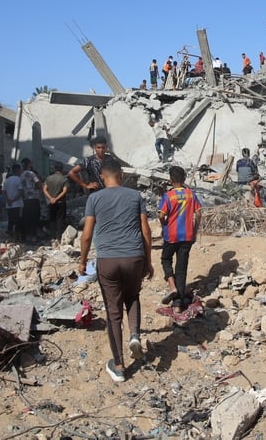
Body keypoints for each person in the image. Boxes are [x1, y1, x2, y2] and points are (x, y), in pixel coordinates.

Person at [80, 159, 153, 382]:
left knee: (113, 313)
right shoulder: (135, 196)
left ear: (102, 177)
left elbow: (86, 235)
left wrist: (82, 262)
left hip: (108, 261)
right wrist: (148, 261)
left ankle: (119, 365)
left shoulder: (94, 198)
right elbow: (146, 231)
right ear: (120, 175)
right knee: (133, 297)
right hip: (134, 257)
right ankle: (134, 335)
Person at [158, 166, 202, 313]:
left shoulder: (168, 196)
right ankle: (177, 305)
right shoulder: (191, 194)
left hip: (171, 235)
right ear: (184, 178)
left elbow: (161, 215)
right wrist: (195, 230)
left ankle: (172, 286)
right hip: (187, 235)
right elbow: (199, 213)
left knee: (165, 259)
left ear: (170, 180)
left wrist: (164, 224)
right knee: (181, 268)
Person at [43, 162, 69, 240]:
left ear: (54, 169)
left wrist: (51, 198)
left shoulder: (49, 178)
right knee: (60, 220)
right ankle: (59, 237)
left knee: (52, 219)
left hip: (51, 203)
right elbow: (64, 191)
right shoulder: (64, 179)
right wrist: (57, 198)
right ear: (62, 169)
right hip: (61, 202)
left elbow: (44, 189)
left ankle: (52, 237)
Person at [20, 158, 42, 242]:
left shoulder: (21, 175)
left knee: (27, 218)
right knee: (35, 217)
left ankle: (27, 236)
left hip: (25, 200)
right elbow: (39, 184)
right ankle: (34, 236)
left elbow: (21, 189)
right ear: (29, 164)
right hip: (34, 198)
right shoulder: (32, 173)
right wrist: (36, 187)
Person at [3, 164, 24, 239]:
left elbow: (4, 192)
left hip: (9, 205)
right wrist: (13, 200)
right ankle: (17, 236)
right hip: (17, 204)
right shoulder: (19, 180)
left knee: (11, 220)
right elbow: (21, 192)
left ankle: (9, 235)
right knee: (18, 220)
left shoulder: (7, 181)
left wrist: (8, 200)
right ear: (18, 170)